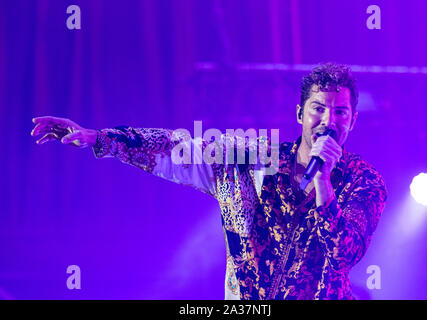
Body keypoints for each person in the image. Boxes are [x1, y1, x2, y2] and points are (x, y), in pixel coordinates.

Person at [31, 62, 387, 300]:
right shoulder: (250, 160)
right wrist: (100, 138)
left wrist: (323, 180)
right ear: (300, 113)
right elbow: (176, 149)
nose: (329, 119)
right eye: (318, 108)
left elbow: (344, 254)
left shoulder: (364, 183)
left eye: (340, 111)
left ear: (352, 120)